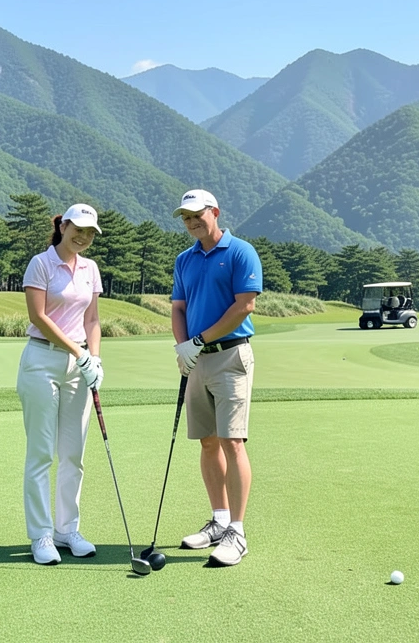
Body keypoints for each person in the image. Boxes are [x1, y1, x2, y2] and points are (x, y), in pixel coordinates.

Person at [169, 189, 262, 567]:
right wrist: (183, 348)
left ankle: (237, 533)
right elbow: (178, 306)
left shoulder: (240, 251)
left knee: (232, 442)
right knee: (207, 443)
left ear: (215, 212)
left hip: (231, 357)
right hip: (197, 361)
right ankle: (219, 520)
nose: (191, 222)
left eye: (197, 215)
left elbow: (245, 306)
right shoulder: (184, 259)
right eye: (185, 217)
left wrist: (198, 340)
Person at [16, 203, 105, 565]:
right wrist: (78, 353)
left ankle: (68, 529)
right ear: (63, 225)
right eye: (77, 229)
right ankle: (42, 535)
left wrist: (94, 358)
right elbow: (38, 315)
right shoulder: (41, 263)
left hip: (79, 367)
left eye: (89, 232)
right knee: (41, 453)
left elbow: (93, 318)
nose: (82, 237)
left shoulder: (90, 268)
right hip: (42, 361)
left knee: (73, 454)